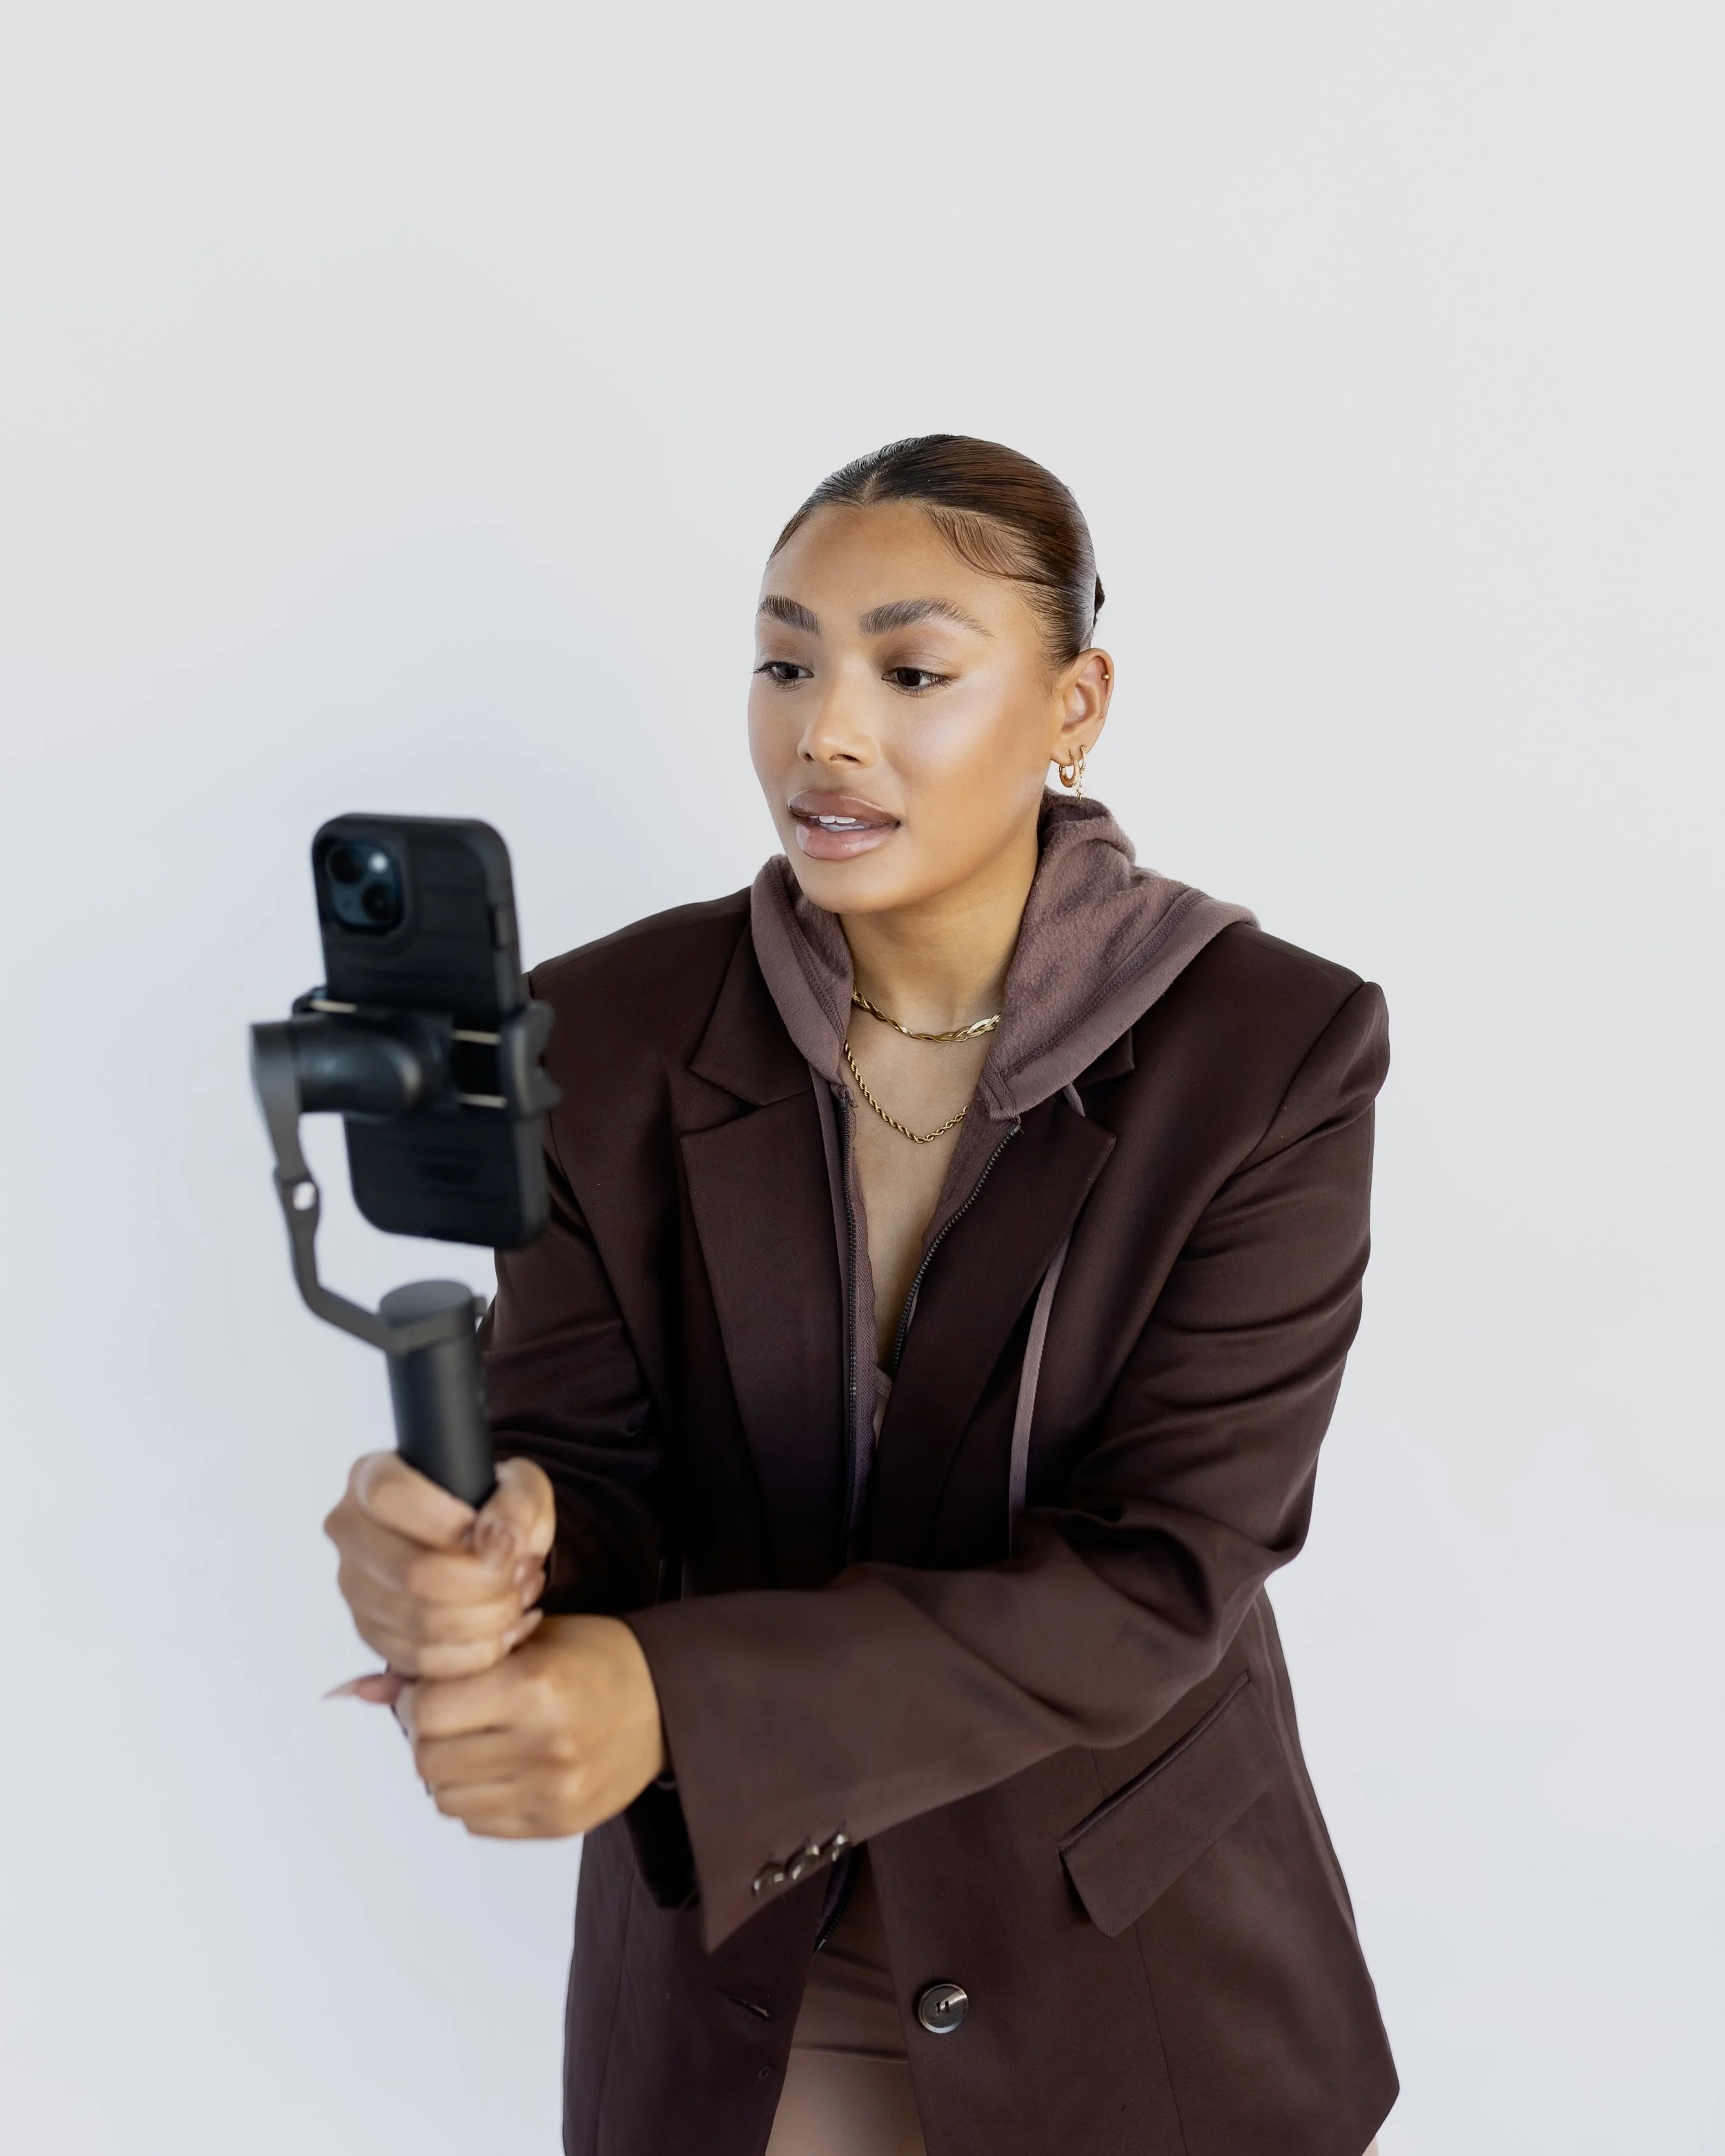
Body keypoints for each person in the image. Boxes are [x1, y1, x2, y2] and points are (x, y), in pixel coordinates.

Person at [324, 435, 1397, 2156]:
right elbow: (586, 1467)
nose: (822, 727)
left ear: (1073, 701)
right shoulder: (604, 1027)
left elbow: (1157, 1575)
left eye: (910, 669)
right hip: (743, 1973)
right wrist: (499, 1540)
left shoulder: (1268, 1052)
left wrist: (664, 1698)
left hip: (1126, 1972)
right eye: (783, 659)